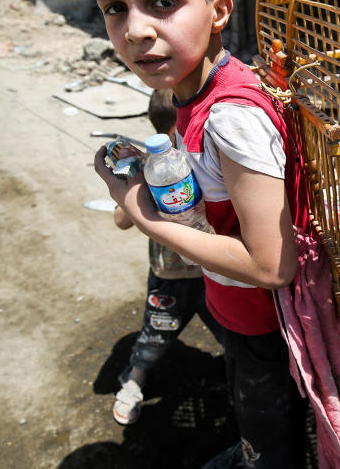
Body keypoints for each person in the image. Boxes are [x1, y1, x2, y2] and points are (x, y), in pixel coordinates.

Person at [81, 0, 309, 468]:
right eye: (115, 8)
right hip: (231, 307)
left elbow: (271, 265)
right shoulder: (190, 91)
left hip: (262, 319)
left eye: (162, 2)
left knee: (270, 428)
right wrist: (143, 178)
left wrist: (140, 209)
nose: (135, 29)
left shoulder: (230, 115)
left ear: (218, 11)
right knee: (249, 402)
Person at [110, 88, 222, 426]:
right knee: (156, 332)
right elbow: (120, 220)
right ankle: (134, 379)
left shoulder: (202, 159)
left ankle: (243, 379)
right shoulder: (148, 168)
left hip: (214, 270)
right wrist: (135, 192)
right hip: (170, 275)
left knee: (232, 335)